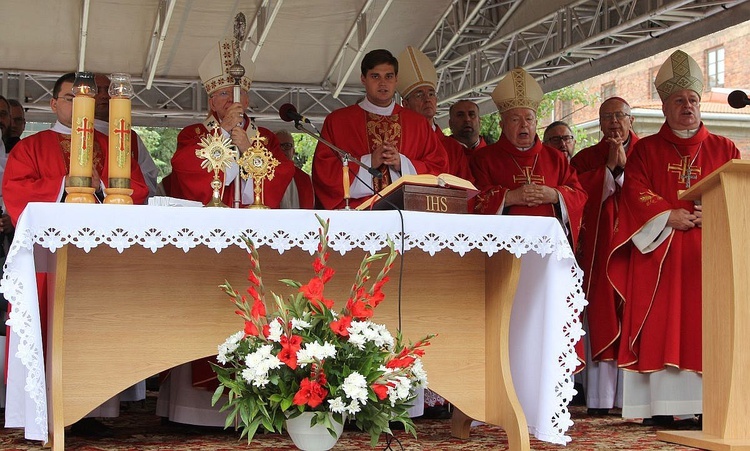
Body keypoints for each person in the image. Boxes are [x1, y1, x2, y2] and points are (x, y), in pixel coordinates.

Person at [1, 72, 150, 436]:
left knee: (98, 323)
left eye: (86, 97)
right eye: (70, 98)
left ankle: (96, 406)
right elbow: (15, 192)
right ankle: (45, 408)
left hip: (100, 261)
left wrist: (105, 188)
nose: (78, 104)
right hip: (47, 263)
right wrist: (62, 185)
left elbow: (138, 188)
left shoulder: (112, 143)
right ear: (54, 104)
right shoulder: (31, 147)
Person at [608, 50, 740, 426]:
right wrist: (670, 214)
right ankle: (661, 408)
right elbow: (633, 192)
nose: (688, 106)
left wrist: (709, 213)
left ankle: (710, 404)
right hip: (660, 253)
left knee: (708, 324)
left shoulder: (725, 149)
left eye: (693, 100)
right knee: (662, 324)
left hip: (710, 256)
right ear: (664, 106)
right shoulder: (646, 150)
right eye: (679, 100)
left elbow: (737, 194)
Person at [164, 38, 312, 210]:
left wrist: (248, 149)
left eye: (238, 93)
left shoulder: (266, 138)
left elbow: (283, 172)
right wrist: (223, 131)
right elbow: (184, 167)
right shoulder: (193, 134)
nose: (232, 99)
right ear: (212, 103)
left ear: (246, 101)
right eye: (224, 93)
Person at [311, 49, 448, 210]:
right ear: (363, 79)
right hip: (359, 214)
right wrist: (368, 162)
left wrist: (402, 164)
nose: (383, 83)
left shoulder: (417, 124)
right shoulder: (339, 121)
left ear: (396, 79)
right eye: (375, 76)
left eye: (389, 76)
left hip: (408, 215)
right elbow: (324, 173)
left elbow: (439, 170)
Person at [569, 97, 638, 416]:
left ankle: (632, 399)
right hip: (598, 251)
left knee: (635, 315)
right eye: (607, 116)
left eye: (619, 116)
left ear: (631, 119)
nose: (613, 122)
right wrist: (609, 169)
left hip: (637, 248)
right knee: (602, 314)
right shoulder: (584, 158)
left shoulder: (647, 152)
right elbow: (576, 194)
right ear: (599, 123)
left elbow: (648, 192)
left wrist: (623, 171)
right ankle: (601, 399)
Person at [470, 68, 587, 250]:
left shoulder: (555, 157)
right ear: (502, 125)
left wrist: (555, 195)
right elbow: (473, 199)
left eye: (529, 119)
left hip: (549, 247)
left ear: (536, 123)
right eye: (515, 119)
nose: (524, 124)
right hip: (503, 248)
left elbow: (578, 194)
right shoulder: (484, 158)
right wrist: (510, 197)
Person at [396, 46, 472, 182]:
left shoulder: (453, 147)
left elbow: (467, 187)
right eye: (419, 95)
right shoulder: (400, 143)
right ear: (405, 104)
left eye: (431, 94)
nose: (427, 99)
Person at [93, 73, 160, 198]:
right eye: (97, 90)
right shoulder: (79, 134)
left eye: (108, 90)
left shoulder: (130, 138)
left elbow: (148, 177)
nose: (103, 96)